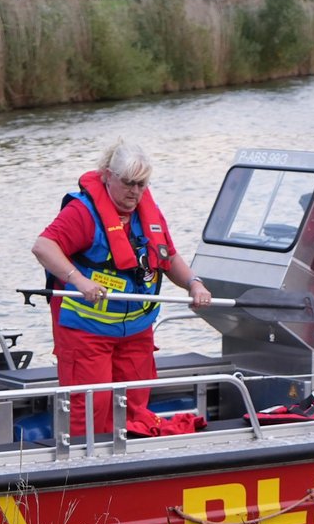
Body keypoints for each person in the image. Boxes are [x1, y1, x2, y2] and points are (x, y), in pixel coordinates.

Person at [31, 141, 213, 438]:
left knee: (135, 405)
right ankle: (84, 471)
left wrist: (194, 283)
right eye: (128, 183)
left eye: (141, 184)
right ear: (106, 176)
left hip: (136, 331)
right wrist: (79, 280)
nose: (135, 192)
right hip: (87, 331)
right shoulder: (83, 212)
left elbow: (168, 257)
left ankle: (132, 464)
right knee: (91, 406)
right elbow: (43, 246)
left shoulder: (147, 214)